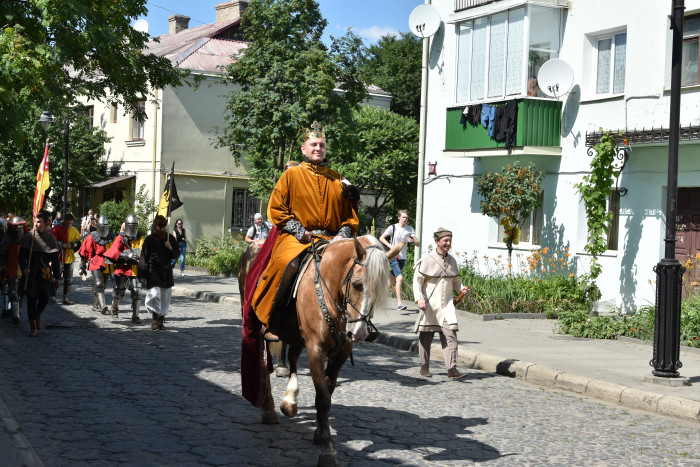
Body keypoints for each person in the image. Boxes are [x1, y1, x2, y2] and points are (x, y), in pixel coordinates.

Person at [251, 121, 359, 341]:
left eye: (322, 145)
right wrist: (300, 231)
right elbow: (277, 209)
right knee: (286, 264)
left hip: (332, 237)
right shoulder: (290, 176)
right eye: (313, 144)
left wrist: (343, 234)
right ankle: (274, 319)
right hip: (297, 238)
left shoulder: (337, 179)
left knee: (358, 270)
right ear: (304, 149)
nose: (318, 148)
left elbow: (350, 216)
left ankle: (355, 320)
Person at [412, 227, 469, 380]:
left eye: (450, 241)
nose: (448, 243)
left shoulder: (452, 261)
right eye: (445, 241)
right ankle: (424, 366)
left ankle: (452, 368)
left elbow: (456, 281)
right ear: (437, 241)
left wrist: (462, 289)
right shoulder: (427, 259)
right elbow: (417, 281)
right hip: (430, 304)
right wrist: (420, 298)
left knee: (451, 334)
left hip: (447, 305)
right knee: (426, 336)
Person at [18, 212, 61, 337]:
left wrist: (57, 276)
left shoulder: (50, 239)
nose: (36, 224)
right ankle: (32, 326)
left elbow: (55, 260)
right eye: (35, 221)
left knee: (45, 298)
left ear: (45, 223)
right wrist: (25, 268)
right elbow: (21, 257)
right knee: (31, 298)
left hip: (45, 273)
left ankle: (38, 314)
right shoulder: (28, 237)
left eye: (39, 222)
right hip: (31, 273)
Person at [138, 215, 179, 331]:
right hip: (153, 271)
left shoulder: (170, 238)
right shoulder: (149, 239)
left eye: (163, 227)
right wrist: (141, 274)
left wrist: (170, 247)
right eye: (159, 226)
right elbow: (143, 257)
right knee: (154, 295)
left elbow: (176, 254)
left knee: (165, 299)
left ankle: (160, 320)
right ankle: (155, 317)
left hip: (166, 272)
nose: (162, 229)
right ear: (155, 226)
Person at [104, 214, 144, 323]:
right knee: (119, 290)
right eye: (131, 225)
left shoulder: (140, 237)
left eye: (134, 225)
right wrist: (126, 255)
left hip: (134, 268)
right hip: (122, 268)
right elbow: (113, 252)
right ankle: (114, 307)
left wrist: (139, 255)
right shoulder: (121, 237)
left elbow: (142, 249)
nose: (132, 227)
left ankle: (135, 316)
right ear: (126, 225)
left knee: (137, 291)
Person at [380, 209, 420, 311]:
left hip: (402, 257)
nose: (405, 219)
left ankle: (378, 297)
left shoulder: (409, 229)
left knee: (392, 279)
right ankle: (399, 303)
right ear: (399, 217)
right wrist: (391, 246)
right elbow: (381, 238)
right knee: (400, 278)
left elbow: (418, 243)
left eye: (406, 218)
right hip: (393, 255)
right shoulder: (392, 227)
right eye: (403, 217)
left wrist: (412, 240)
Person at [77, 215, 115, 314]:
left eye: (105, 226)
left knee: (102, 286)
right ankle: (103, 306)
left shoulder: (111, 237)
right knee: (99, 283)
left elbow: (115, 251)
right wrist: (82, 265)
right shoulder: (91, 237)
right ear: (97, 226)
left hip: (107, 263)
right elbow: (85, 250)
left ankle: (95, 304)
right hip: (96, 262)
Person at [50, 213, 82, 305]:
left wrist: (71, 245)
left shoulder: (74, 230)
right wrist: (61, 245)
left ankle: (66, 297)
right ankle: (53, 294)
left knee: (69, 279)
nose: (69, 225)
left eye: (70, 223)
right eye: (67, 223)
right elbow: (51, 240)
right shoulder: (56, 229)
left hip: (69, 256)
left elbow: (79, 243)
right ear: (63, 221)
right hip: (59, 256)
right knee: (56, 276)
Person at [0, 217, 27, 324]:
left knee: (21, 292)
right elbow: (3, 254)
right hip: (11, 267)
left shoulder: (27, 237)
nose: (16, 231)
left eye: (18, 228)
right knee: (13, 292)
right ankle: (15, 315)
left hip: (24, 268)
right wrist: (2, 266)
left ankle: (16, 310)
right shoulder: (7, 238)